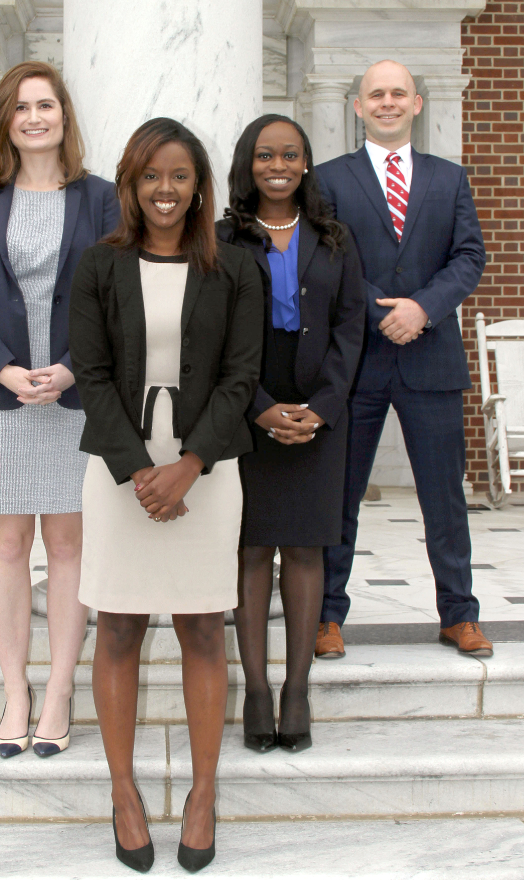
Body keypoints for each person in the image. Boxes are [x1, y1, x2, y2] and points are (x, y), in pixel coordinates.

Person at [70, 118, 262, 873]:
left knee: (204, 631)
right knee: (116, 628)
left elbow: (241, 376)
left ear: (200, 186)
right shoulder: (99, 265)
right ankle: (123, 793)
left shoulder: (235, 268)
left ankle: (203, 793)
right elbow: (89, 375)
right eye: (152, 175)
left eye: (180, 175)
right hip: (119, 471)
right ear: (131, 183)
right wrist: (138, 469)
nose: (166, 189)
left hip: (207, 473)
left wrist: (189, 465)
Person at [0, 62, 119, 759]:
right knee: (10, 548)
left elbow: (116, 294)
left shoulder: (101, 197)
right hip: (0, 398)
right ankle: (15, 689)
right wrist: (8, 370)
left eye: (46, 104)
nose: (34, 117)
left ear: (64, 114)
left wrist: (74, 368)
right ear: (4, 120)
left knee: (70, 547)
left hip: (78, 399)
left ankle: (59, 690)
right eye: (20, 107)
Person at [315, 59, 491, 660]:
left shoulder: (450, 178)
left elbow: (469, 256)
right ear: (357, 107)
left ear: (417, 103)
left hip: (432, 358)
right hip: (357, 363)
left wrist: (422, 308)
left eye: (398, 93)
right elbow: (327, 259)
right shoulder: (330, 179)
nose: (387, 102)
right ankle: (326, 617)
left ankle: (459, 614)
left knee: (444, 497)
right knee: (339, 494)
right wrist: (379, 311)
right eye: (375, 95)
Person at [216, 115, 365, 753]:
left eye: (291, 154)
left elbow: (351, 325)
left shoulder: (335, 238)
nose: (278, 164)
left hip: (319, 417)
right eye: (265, 154)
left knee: (305, 551)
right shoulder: (223, 237)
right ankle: (254, 689)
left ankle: (296, 690)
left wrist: (323, 406)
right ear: (248, 164)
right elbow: (213, 330)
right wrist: (258, 406)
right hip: (249, 415)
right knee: (250, 552)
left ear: (306, 163)